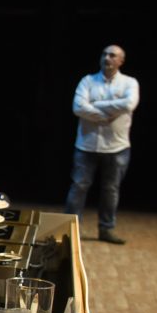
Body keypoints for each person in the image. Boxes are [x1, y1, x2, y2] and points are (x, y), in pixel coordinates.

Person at [64, 44, 140, 244]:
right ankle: (69, 230)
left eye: (112, 55)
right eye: (104, 54)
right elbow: (78, 107)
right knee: (79, 186)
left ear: (121, 61)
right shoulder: (88, 81)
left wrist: (96, 106)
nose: (107, 58)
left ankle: (106, 229)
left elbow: (129, 104)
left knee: (110, 190)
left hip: (117, 146)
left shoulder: (129, 83)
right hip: (86, 145)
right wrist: (105, 115)